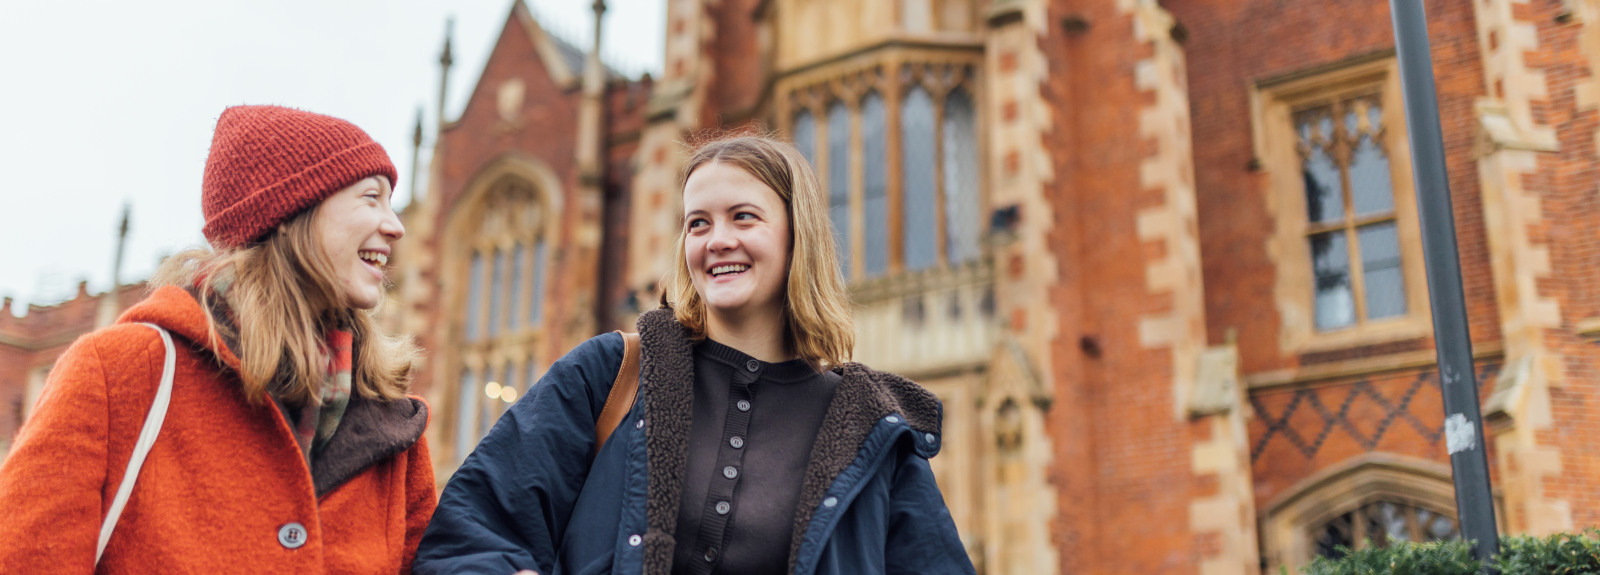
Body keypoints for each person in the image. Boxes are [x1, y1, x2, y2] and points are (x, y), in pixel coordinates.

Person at [414, 134, 974, 575]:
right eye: (697, 223)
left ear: (796, 234)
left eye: (743, 216)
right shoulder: (610, 374)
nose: (716, 240)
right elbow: (470, 530)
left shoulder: (870, 427)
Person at [0, 106, 437, 573]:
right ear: (289, 210)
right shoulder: (120, 371)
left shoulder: (395, 427)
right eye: (371, 198)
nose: (396, 226)